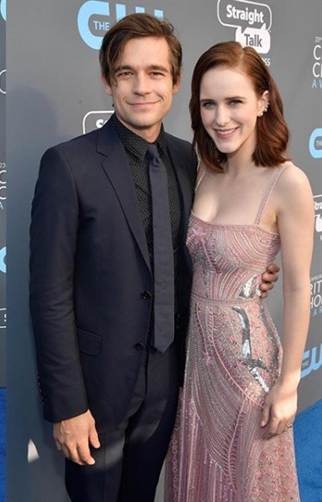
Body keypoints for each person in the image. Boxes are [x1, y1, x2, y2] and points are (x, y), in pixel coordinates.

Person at [29, 14, 278, 502]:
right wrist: (66, 406)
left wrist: (249, 274)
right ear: (107, 81)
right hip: (96, 393)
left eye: (156, 73)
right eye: (126, 73)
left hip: (173, 382)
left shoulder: (194, 161)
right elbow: (48, 295)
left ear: (176, 82)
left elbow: (209, 249)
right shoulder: (67, 165)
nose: (142, 87)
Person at [165, 41, 313, 502]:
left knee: (246, 480)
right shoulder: (205, 169)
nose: (220, 118)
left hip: (248, 365)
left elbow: (296, 287)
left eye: (234, 102)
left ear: (263, 101)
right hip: (194, 359)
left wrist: (289, 384)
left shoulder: (287, 182)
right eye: (209, 103)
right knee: (198, 473)